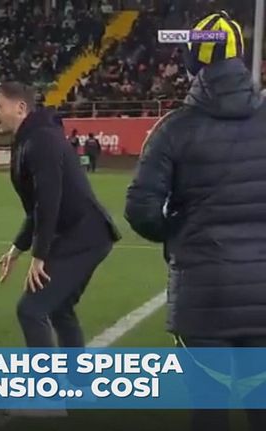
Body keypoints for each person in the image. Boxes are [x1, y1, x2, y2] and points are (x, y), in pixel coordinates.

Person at [125, 11, 266, 431]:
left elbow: (141, 210)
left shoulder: (173, 129)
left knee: (209, 411)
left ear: (193, 59)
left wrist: (179, 234)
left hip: (202, 295)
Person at [0, 81, 120, 351]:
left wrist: (39, 255)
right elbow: (37, 207)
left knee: (31, 310)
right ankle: (77, 376)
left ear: (20, 108)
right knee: (59, 309)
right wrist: (16, 249)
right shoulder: (28, 139)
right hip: (83, 233)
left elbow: (49, 200)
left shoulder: (41, 140)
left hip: (85, 235)